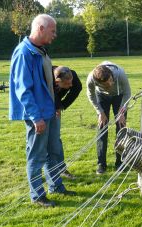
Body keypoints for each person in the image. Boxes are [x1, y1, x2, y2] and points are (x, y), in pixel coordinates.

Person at [9, 14, 75, 208]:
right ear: (40, 29)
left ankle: (57, 186)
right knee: (37, 156)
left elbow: (48, 84)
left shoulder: (42, 51)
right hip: (37, 115)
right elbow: (24, 90)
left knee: (54, 152)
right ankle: (37, 195)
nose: (55, 34)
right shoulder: (24, 53)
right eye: (53, 30)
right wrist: (36, 117)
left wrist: (55, 107)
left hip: (50, 112)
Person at [86, 61, 131, 174]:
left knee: (121, 129)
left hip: (119, 97)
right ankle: (101, 164)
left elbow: (127, 93)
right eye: (106, 84)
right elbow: (91, 95)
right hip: (101, 97)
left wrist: (121, 112)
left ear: (111, 75)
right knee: (102, 129)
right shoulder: (91, 78)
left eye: (111, 81)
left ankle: (120, 163)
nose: (110, 85)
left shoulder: (120, 73)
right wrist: (100, 112)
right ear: (97, 82)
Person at [53, 66, 82, 179]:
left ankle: (61, 169)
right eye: (67, 84)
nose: (70, 86)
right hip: (42, 107)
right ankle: (37, 174)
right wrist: (56, 106)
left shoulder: (71, 76)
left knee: (56, 139)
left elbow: (77, 88)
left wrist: (62, 106)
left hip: (56, 104)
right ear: (57, 81)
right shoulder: (46, 77)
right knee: (42, 144)